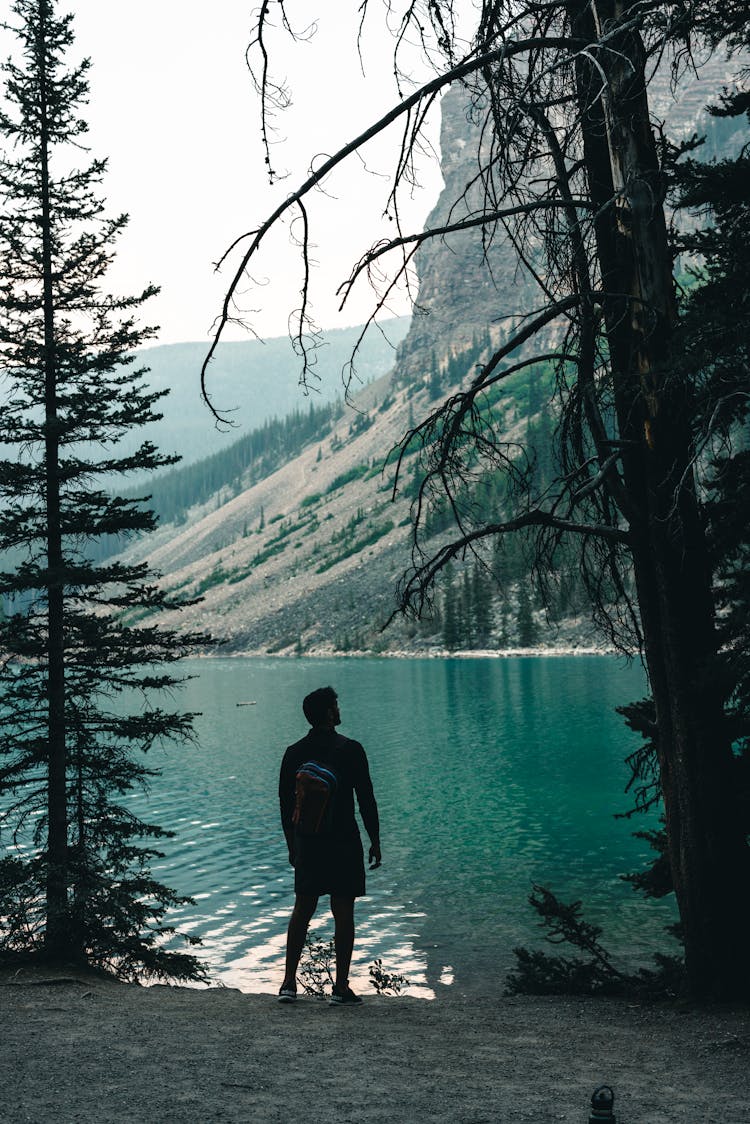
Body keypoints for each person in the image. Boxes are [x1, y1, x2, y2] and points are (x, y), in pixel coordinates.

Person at [278, 686, 381, 1005]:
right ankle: (340, 986)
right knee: (343, 912)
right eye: (335, 706)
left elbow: (285, 804)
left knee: (302, 910)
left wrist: (292, 845)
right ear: (327, 713)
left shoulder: (294, 751)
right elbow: (365, 798)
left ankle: (288, 984)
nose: (339, 710)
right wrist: (375, 840)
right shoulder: (350, 749)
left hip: (308, 841)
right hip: (343, 842)